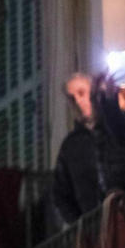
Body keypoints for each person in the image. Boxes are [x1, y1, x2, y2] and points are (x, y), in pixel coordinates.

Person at [52, 72, 103, 224]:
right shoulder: (70, 146)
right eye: (71, 98)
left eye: (81, 93)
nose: (77, 102)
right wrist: (80, 226)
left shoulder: (116, 130)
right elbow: (60, 195)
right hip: (93, 230)